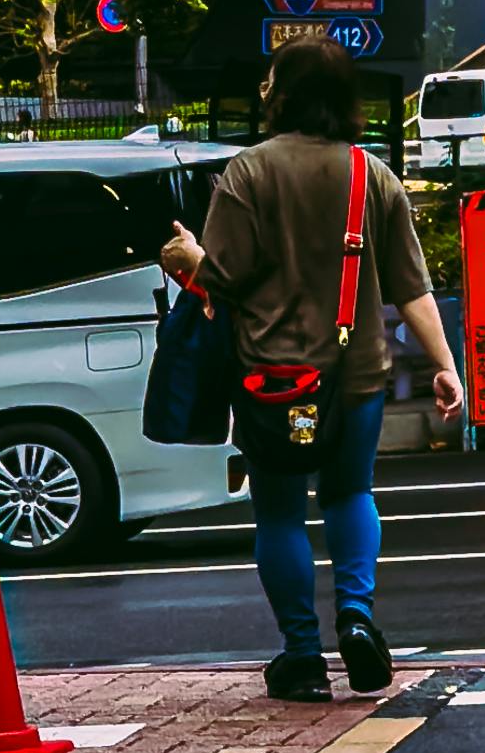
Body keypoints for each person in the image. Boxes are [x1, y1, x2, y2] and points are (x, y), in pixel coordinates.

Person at [170, 42, 456, 698]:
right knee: (350, 493)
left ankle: (302, 657)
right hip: (355, 375)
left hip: (273, 381)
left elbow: (222, 279)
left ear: (286, 92)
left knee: (277, 515)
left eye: (271, 78)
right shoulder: (371, 175)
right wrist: (444, 366)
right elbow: (411, 287)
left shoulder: (248, 174)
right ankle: (357, 620)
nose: (264, 86)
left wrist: (186, 255)